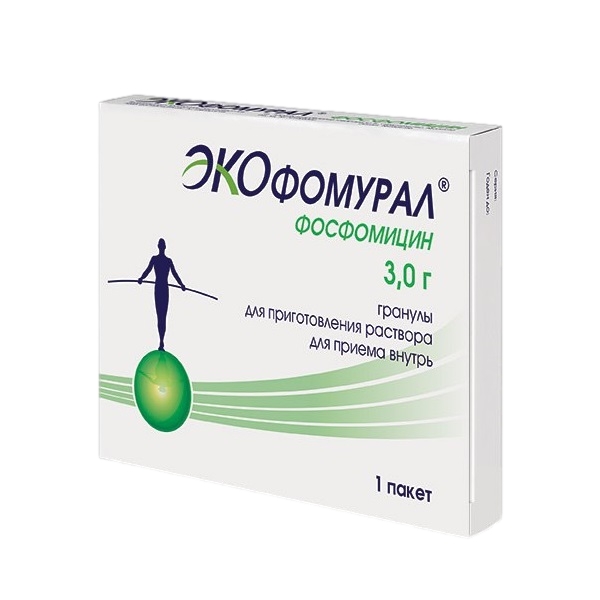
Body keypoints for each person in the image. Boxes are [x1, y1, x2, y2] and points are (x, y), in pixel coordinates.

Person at [138, 238, 185, 350]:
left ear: (162, 247)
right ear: (160, 247)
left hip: (163, 289)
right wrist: (141, 278)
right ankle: (161, 340)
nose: (162, 246)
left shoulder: (168, 261)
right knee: (160, 316)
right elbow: (148, 270)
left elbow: (175, 274)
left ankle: (161, 340)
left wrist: (182, 284)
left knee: (163, 316)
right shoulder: (155, 259)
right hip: (159, 288)